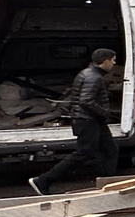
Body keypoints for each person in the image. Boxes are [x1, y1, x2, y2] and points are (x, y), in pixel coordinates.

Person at [28, 48, 119, 196]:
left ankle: (107, 185)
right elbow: (86, 101)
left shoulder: (88, 73)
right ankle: (44, 180)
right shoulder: (93, 77)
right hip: (88, 120)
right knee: (84, 152)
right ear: (106, 60)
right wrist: (104, 113)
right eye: (113, 60)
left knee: (111, 150)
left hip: (92, 120)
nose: (114, 63)